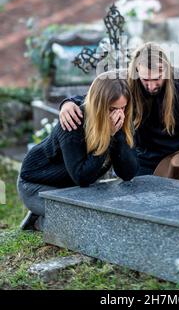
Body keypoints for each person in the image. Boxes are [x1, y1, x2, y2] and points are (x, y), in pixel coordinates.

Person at [59, 42, 179, 180]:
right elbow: (97, 98)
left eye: (157, 79)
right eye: (146, 79)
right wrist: (68, 103)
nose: (152, 86)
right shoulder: (124, 82)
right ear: (136, 70)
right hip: (142, 164)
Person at [18, 72, 138, 231]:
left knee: (102, 217)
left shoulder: (119, 118)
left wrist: (119, 134)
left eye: (123, 108)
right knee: (81, 224)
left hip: (71, 185)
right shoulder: (73, 122)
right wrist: (107, 136)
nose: (118, 114)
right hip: (37, 184)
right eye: (112, 109)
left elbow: (127, 173)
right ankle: (37, 220)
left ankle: (50, 213)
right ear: (98, 106)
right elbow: (82, 177)